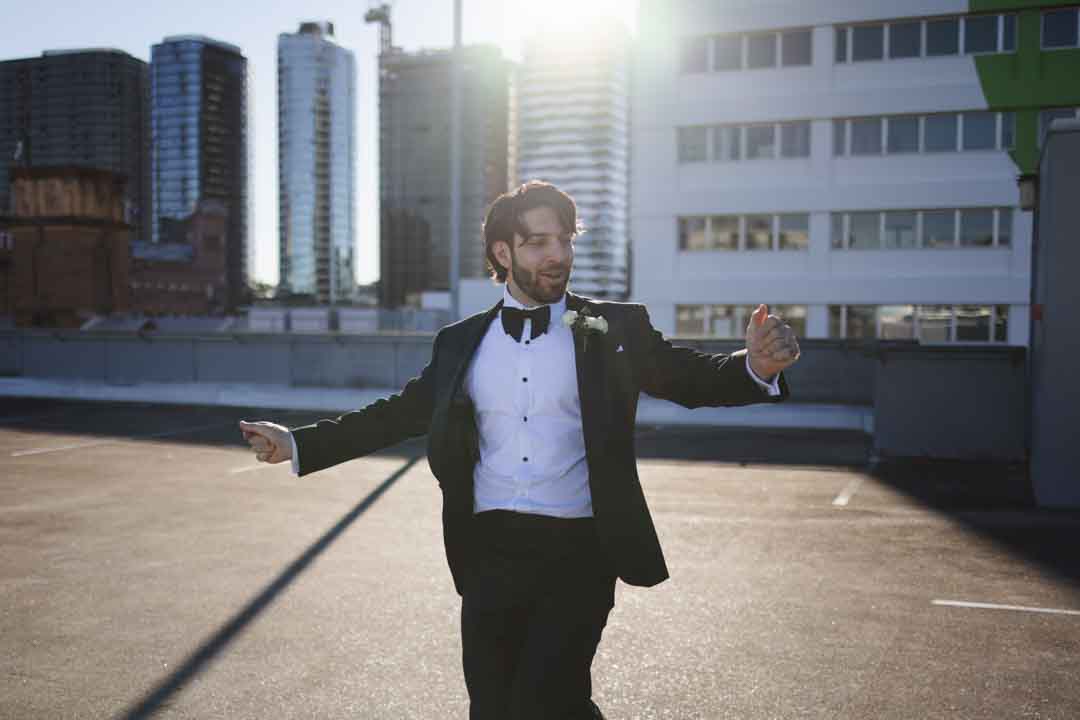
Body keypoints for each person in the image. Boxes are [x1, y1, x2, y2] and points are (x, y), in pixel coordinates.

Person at [239, 181, 800, 719]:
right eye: (539, 243)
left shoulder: (613, 327)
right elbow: (398, 414)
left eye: (565, 240)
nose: (558, 254)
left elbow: (690, 377)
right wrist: (297, 443)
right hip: (488, 551)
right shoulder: (461, 341)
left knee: (544, 701)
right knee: (493, 705)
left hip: (580, 550)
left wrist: (756, 367)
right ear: (503, 252)